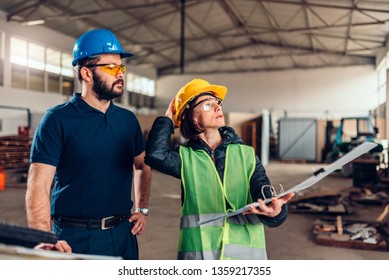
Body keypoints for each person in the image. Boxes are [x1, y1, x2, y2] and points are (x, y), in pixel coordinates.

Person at [26, 29, 151, 260]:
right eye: (111, 68)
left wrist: (142, 209)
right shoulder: (57, 120)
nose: (120, 74)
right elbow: (39, 185)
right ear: (86, 73)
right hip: (75, 238)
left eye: (121, 67)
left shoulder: (127, 120)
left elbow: (142, 166)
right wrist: (44, 235)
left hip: (124, 235)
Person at [145, 78, 294, 260]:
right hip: (200, 256)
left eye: (218, 103)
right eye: (208, 105)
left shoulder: (246, 154)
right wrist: (168, 117)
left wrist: (275, 212)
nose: (217, 108)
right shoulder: (185, 158)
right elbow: (155, 155)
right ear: (189, 115)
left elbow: (263, 192)